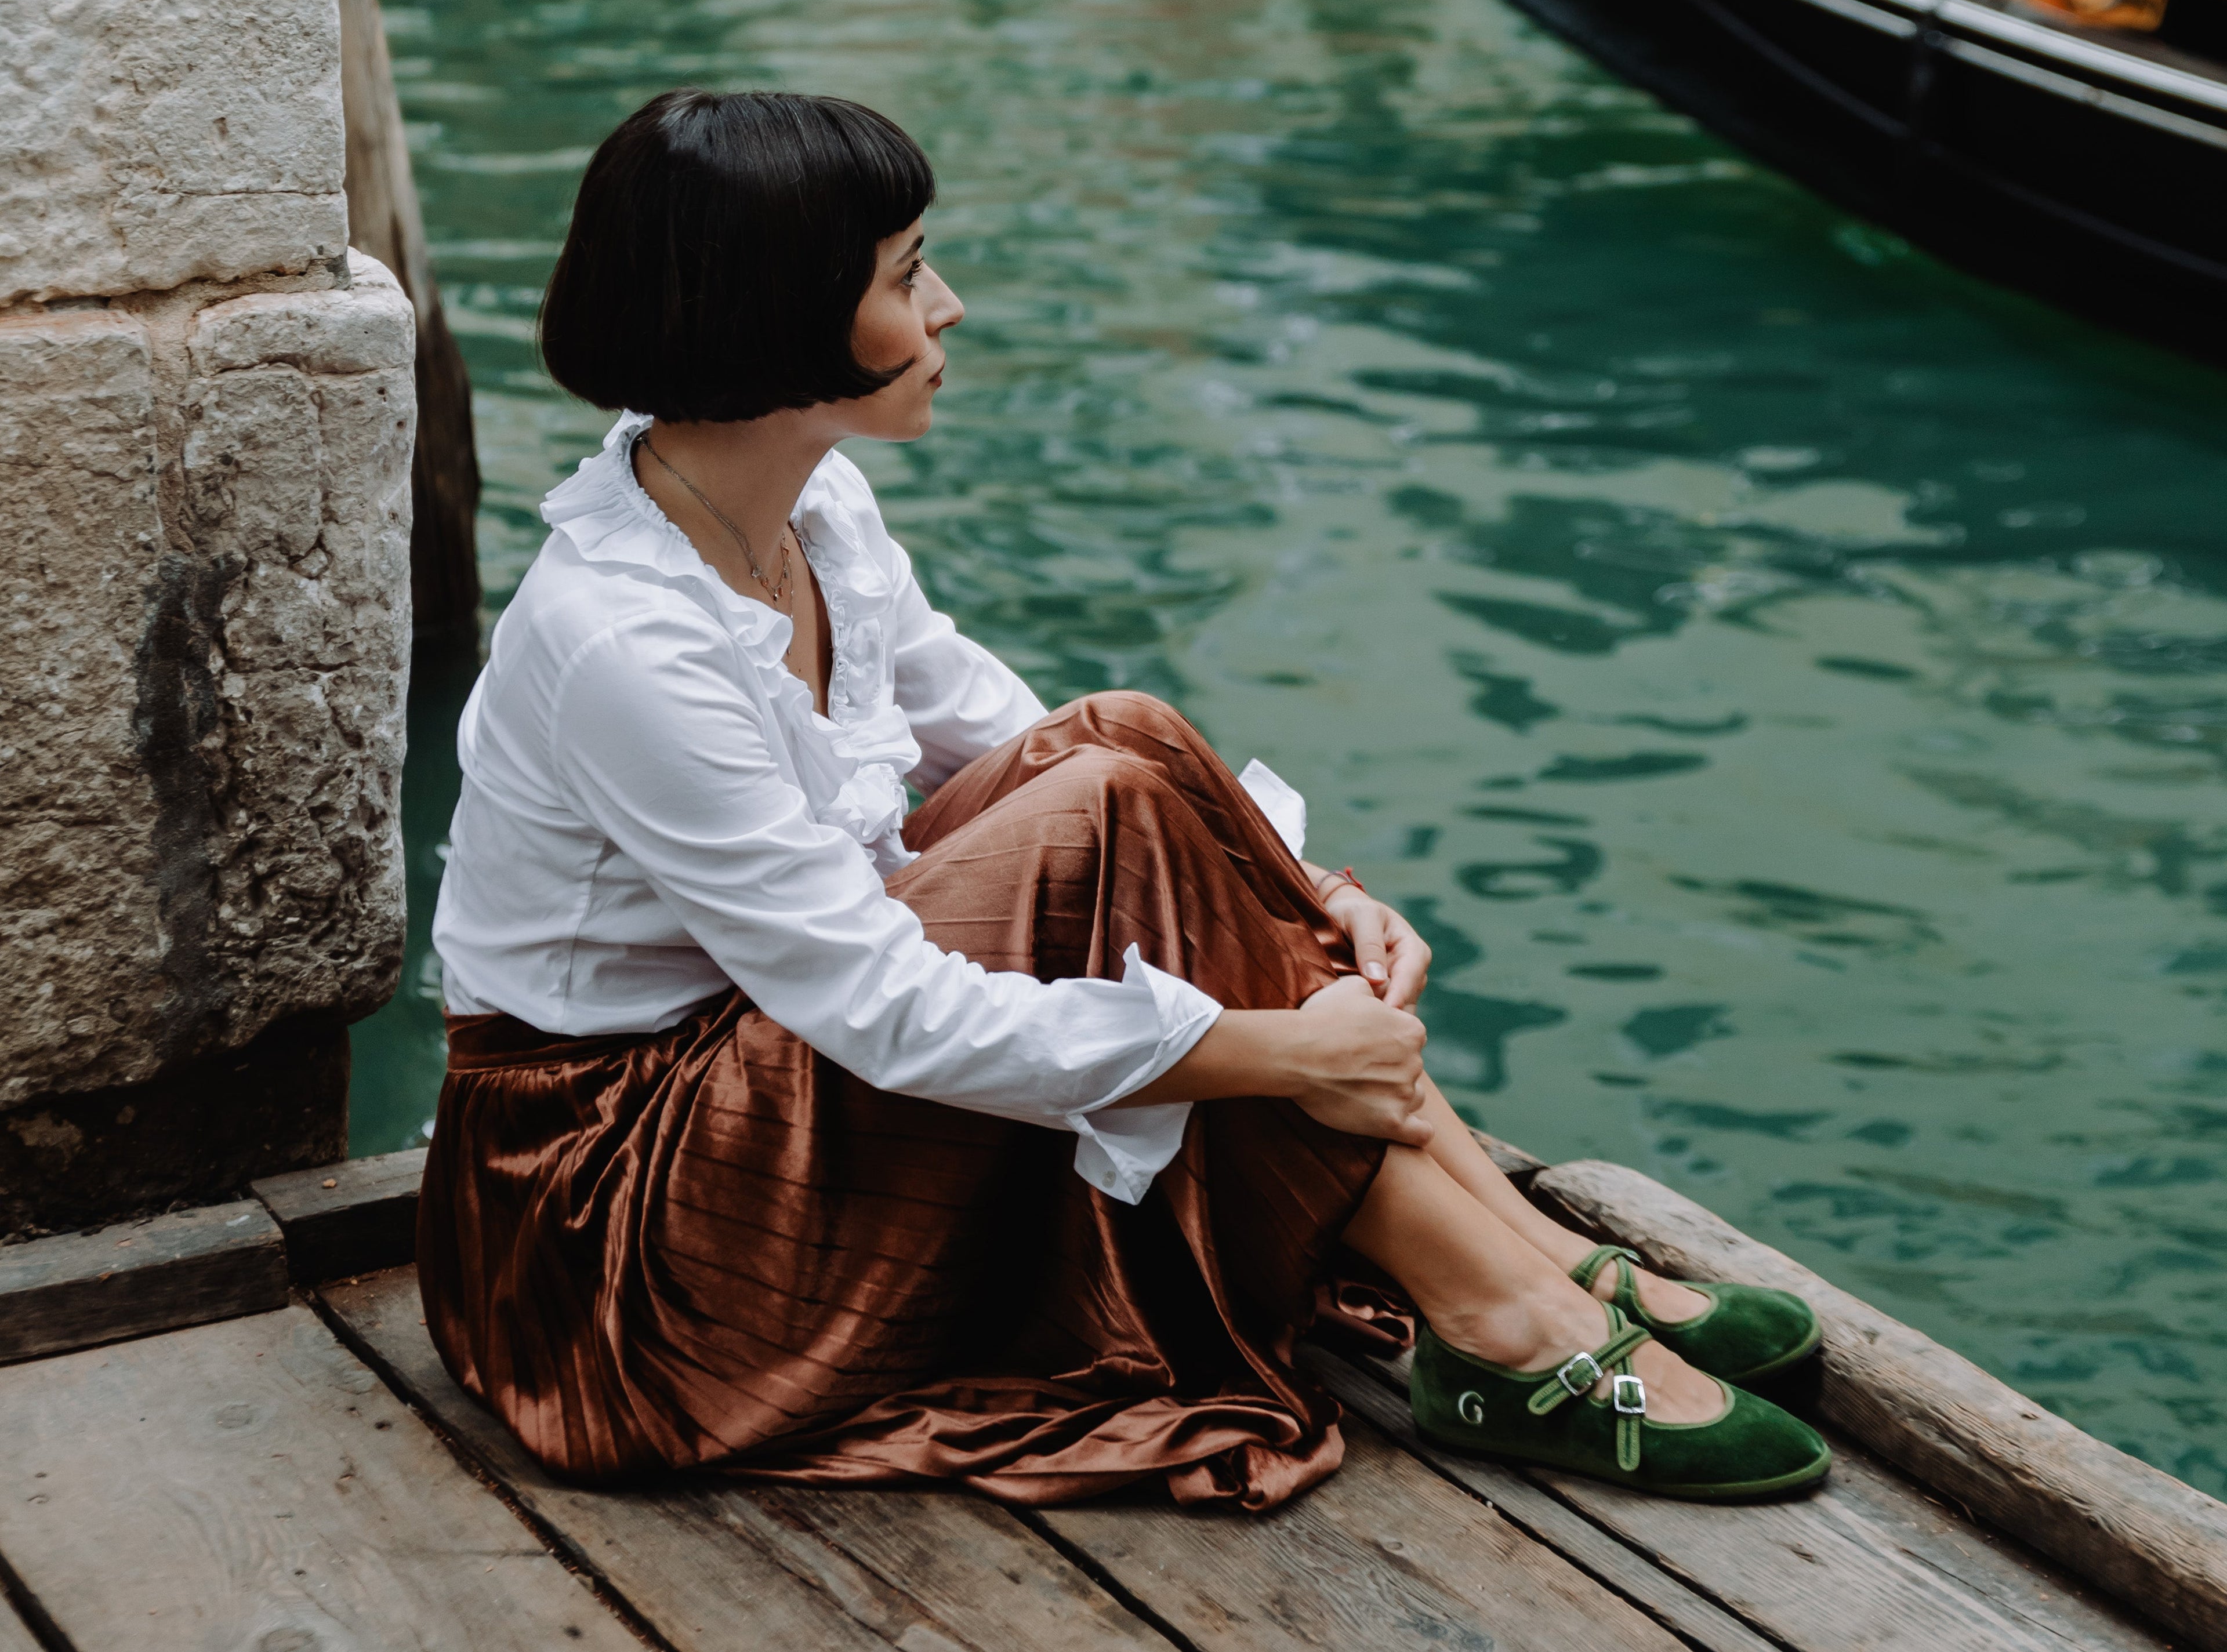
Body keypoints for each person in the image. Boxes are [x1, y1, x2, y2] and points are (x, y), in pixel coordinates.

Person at [419, 88, 1827, 1509]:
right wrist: (1279, 1051)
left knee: (1120, 744)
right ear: (778, 312)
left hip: (762, 1073)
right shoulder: (626, 638)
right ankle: (1509, 1310)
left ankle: (1515, 1261)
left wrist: (1317, 898)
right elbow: (879, 1007)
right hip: (614, 1225)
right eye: (907, 276)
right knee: (1118, 821)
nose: (949, 307)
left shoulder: (815, 514)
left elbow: (1039, 749)